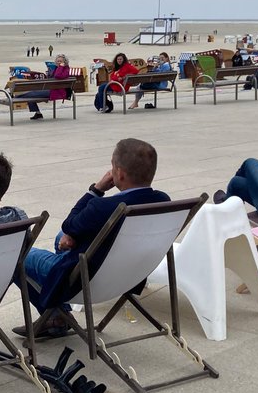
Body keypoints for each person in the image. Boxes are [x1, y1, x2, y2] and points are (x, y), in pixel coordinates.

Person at [16, 138, 169, 337]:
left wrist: (96, 190)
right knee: (61, 238)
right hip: (129, 275)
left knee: (18, 255)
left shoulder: (103, 207)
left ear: (119, 174)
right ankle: (57, 314)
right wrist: (72, 235)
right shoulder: (163, 201)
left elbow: (69, 223)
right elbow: (70, 231)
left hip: (89, 282)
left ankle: (55, 312)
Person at [22, 53, 72, 120]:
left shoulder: (65, 69)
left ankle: (15, 97)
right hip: (52, 90)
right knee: (31, 94)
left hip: (56, 92)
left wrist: (61, 67)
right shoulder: (57, 69)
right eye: (58, 61)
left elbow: (58, 76)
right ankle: (38, 113)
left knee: (30, 95)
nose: (59, 62)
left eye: (61, 61)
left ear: (64, 62)